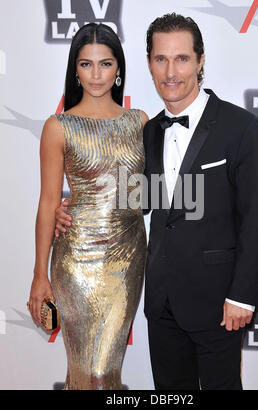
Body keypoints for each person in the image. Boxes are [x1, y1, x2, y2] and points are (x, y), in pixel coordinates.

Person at [55, 13, 258, 390]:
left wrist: (242, 296)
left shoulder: (242, 128)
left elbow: (255, 220)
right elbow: (139, 201)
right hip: (163, 304)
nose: (171, 72)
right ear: (149, 63)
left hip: (220, 303)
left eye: (182, 58)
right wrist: (75, 207)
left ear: (200, 61)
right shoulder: (148, 129)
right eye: (160, 59)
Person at [28, 23, 148, 390]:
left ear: (119, 68)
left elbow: (143, 197)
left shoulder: (140, 122)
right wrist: (39, 275)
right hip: (75, 260)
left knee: (106, 371)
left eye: (106, 63)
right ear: (75, 70)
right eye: (86, 64)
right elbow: (48, 200)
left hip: (127, 257)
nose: (96, 74)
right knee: (86, 370)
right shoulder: (57, 127)